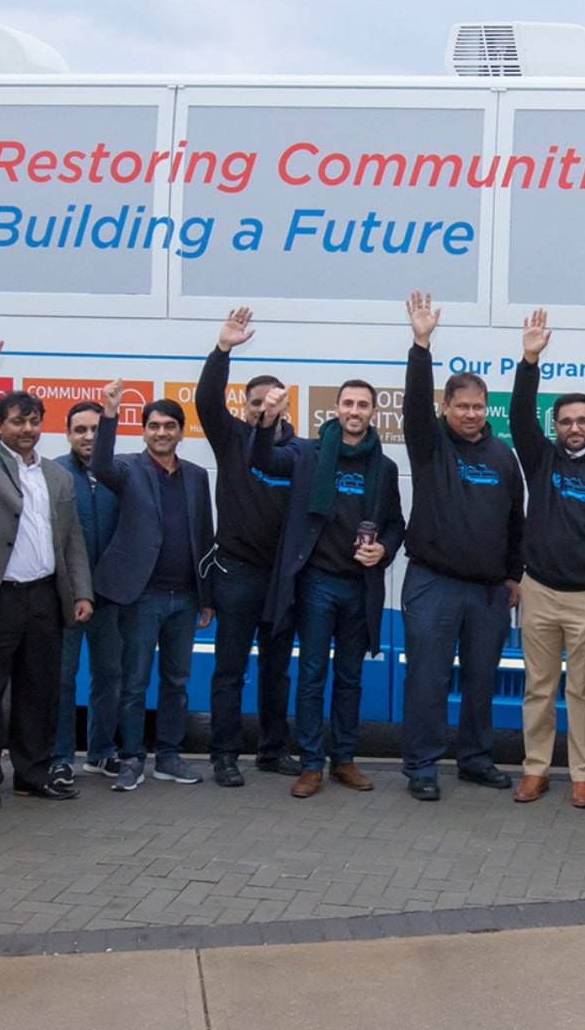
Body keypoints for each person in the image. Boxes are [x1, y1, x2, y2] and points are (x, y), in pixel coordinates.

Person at [0, 338, 94, 811]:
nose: (27, 429)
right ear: (0, 425)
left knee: (39, 691)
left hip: (44, 599)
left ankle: (32, 774)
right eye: (17, 421)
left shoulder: (58, 476)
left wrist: (81, 593)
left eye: (34, 421)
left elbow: (71, 540)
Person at [397, 291, 525, 802]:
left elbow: (517, 519)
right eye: (461, 406)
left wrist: (514, 573)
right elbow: (412, 404)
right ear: (445, 407)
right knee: (427, 680)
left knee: (480, 682)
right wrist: (421, 346)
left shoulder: (502, 455)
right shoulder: (429, 446)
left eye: (478, 406)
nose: (471, 414)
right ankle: (422, 766)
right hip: (434, 583)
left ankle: (474, 759)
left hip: (490, 591)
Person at [250, 379, 404, 796]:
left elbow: (395, 523)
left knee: (351, 678)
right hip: (317, 581)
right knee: (313, 675)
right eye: (348, 403)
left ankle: (345, 761)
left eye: (363, 405)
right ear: (335, 408)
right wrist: (268, 418)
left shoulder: (385, 467)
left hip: (360, 585)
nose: (355, 411)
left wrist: (385, 549)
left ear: (374, 412)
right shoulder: (307, 453)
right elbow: (262, 459)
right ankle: (312, 764)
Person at [509, 311, 585, 808]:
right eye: (566, 421)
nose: (575, 427)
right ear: (554, 426)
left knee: (584, 692)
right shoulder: (542, 459)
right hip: (538, 591)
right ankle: (535, 769)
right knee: (538, 688)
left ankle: (583, 775)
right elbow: (519, 413)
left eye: (584, 420)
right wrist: (530, 360)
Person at [92, 379, 215, 791]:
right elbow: (99, 466)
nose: (161, 432)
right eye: (153, 425)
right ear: (143, 430)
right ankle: (131, 759)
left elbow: (205, 535)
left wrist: (206, 597)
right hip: (141, 597)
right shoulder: (127, 467)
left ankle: (168, 756)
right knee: (134, 682)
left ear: (181, 432)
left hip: (184, 598)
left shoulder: (198, 477)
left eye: (169, 426)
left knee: (177, 683)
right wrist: (108, 414)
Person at [197, 308, 299, 787]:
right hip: (236, 575)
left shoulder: (303, 452)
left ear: (285, 406)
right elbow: (204, 400)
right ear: (245, 405)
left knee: (278, 673)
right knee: (229, 672)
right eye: (255, 402)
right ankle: (224, 755)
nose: (263, 408)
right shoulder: (231, 436)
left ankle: (273, 752)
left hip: (282, 580)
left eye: (272, 401)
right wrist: (223, 350)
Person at [53, 399, 123, 778]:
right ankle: (60, 757)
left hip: (110, 598)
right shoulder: (54, 474)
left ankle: (100, 751)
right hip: (65, 598)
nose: (89, 437)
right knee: (62, 678)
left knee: (109, 675)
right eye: (80, 429)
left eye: (96, 429)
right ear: (67, 434)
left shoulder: (120, 473)